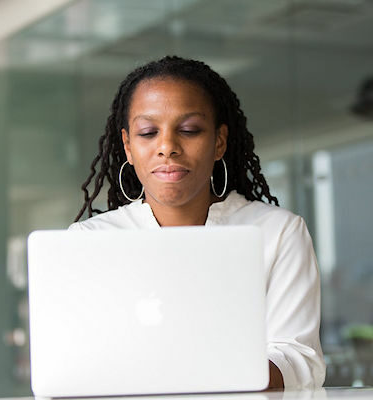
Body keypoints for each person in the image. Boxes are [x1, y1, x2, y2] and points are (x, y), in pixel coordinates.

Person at [68, 55, 326, 389]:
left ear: (219, 141)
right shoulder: (88, 241)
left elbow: (299, 360)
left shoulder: (276, 232)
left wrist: (181, 373)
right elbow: (73, 362)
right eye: (148, 133)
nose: (167, 147)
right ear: (128, 147)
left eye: (189, 130)